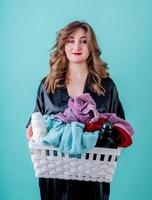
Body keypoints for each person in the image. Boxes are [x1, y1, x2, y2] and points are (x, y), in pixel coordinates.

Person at [26, 20, 125, 200]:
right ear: (63, 45)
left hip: (93, 179)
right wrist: (34, 132)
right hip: (54, 178)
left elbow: (119, 131)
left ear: (91, 47)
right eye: (71, 40)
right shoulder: (48, 86)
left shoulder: (107, 87)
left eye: (83, 41)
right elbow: (33, 128)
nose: (76, 46)